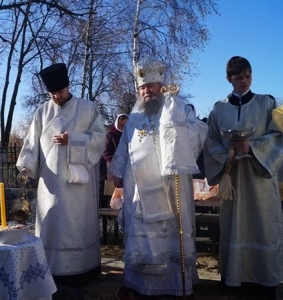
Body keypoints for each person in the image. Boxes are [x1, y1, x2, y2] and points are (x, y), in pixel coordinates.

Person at [109, 58, 208, 298]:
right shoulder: (134, 118)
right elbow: (124, 146)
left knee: (171, 237)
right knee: (144, 239)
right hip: (139, 191)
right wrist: (117, 173)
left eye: (151, 85)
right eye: (143, 87)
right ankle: (140, 285)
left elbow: (199, 133)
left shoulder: (179, 108)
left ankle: (176, 285)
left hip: (170, 186)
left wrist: (176, 130)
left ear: (162, 86)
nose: (147, 91)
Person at [16, 63, 106, 288]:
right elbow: (32, 142)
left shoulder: (88, 108)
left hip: (78, 184)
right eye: (52, 93)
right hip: (50, 183)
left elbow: (99, 139)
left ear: (68, 86)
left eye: (60, 91)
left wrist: (73, 139)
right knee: (52, 224)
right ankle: (49, 271)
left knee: (76, 224)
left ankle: (80, 270)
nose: (56, 96)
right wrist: (26, 166)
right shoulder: (42, 111)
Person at [204, 56, 283, 299]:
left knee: (262, 225)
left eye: (248, 75)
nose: (245, 80)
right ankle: (232, 279)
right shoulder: (219, 110)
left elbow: (278, 137)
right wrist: (227, 156)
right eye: (239, 77)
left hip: (259, 180)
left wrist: (252, 148)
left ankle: (264, 280)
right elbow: (210, 143)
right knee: (233, 226)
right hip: (233, 180)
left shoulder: (267, 104)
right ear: (229, 79)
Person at [102, 113, 129, 209]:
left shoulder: (129, 134)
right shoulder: (110, 134)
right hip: (114, 169)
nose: (123, 127)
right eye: (122, 125)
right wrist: (118, 161)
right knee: (116, 199)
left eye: (125, 125)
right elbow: (105, 152)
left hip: (127, 168)